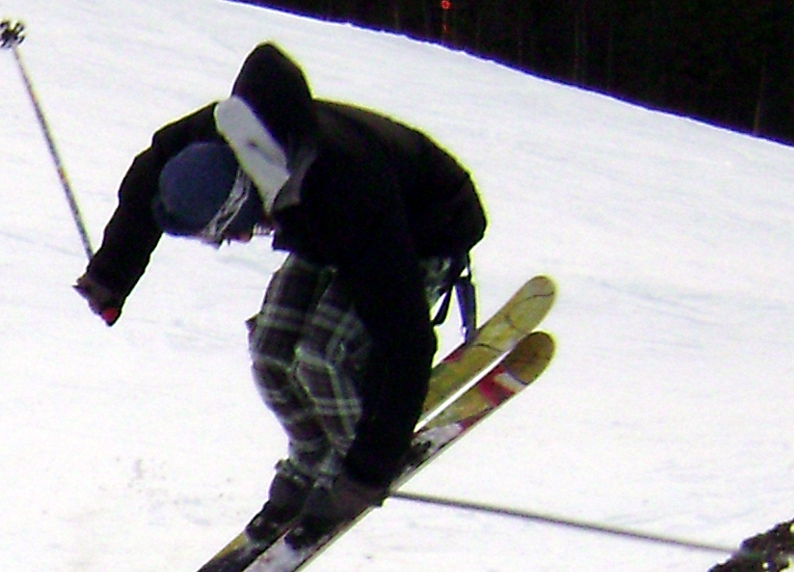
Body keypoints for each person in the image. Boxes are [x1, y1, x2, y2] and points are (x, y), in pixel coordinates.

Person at [74, 43, 486, 546]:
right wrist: (113, 273)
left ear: (243, 199)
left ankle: (346, 460)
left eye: (229, 231)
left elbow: (406, 338)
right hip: (326, 222)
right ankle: (310, 459)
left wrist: (372, 468)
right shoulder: (222, 136)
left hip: (425, 227)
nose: (237, 241)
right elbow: (153, 170)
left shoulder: (344, 189)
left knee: (321, 354)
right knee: (269, 346)